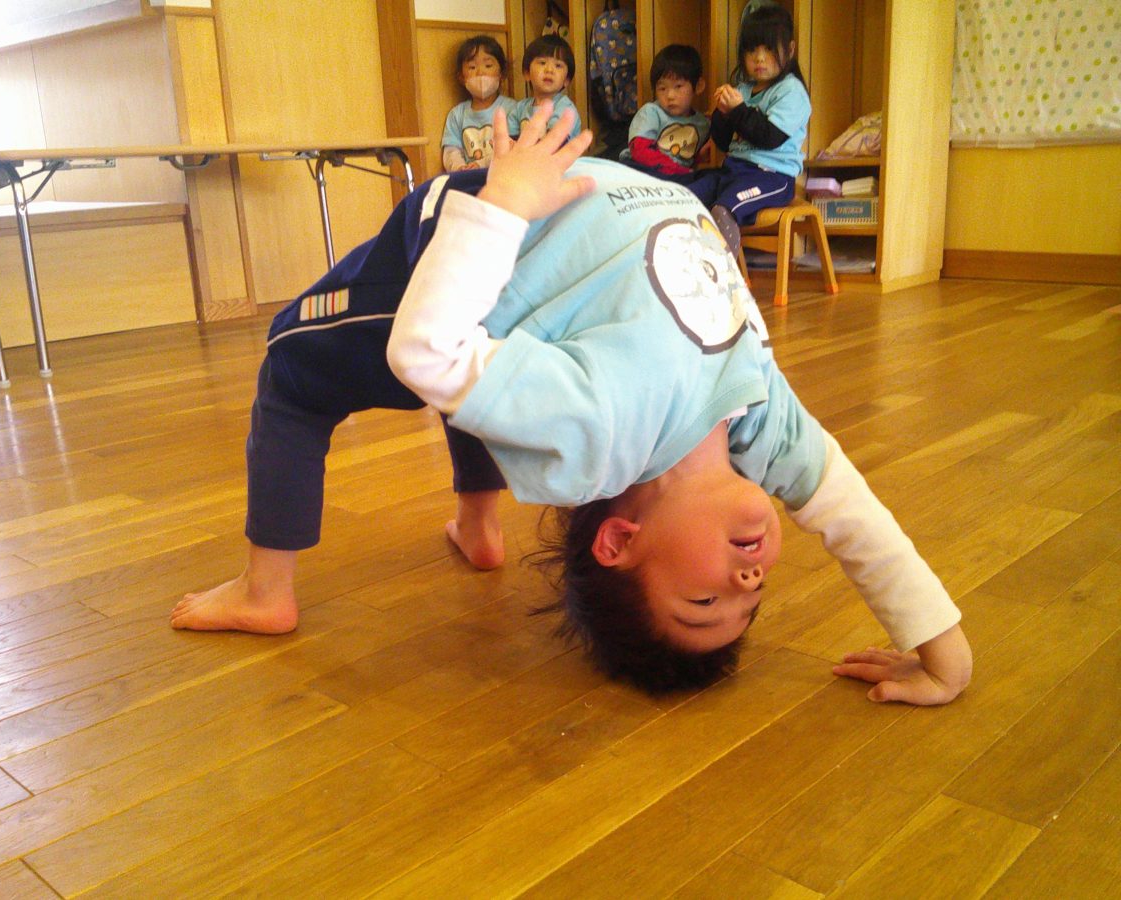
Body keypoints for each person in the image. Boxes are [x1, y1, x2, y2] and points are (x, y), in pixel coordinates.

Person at [173, 102, 972, 707]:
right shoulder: (758, 423)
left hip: (459, 236)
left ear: (620, 540)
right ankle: (478, 525)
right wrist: (944, 652)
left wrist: (503, 206)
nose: (750, 575)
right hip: (557, 206)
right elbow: (852, 515)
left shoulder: (600, 428)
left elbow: (426, 351)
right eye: (752, 597)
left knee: (291, 367)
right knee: (499, 383)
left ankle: (265, 592)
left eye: (706, 599)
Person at [692, 4, 811, 255]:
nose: (759, 58)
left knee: (723, 210)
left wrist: (737, 110)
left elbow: (768, 137)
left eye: (769, 49)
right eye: (751, 50)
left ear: (790, 49)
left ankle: (724, 273)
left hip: (773, 176)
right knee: (686, 197)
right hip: (734, 170)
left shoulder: (791, 91)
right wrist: (722, 113)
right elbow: (724, 142)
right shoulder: (744, 90)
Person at [621, 44, 710, 183]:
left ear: (698, 86)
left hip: (676, 178)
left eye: (678, 86)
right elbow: (640, 151)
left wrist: (701, 156)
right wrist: (679, 172)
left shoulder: (703, 124)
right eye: (662, 88)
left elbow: (689, 156)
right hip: (642, 169)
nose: (670, 95)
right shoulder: (651, 112)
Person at [441, 35, 516, 172]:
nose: (480, 72)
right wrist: (459, 167)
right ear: (461, 77)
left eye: (488, 66)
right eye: (472, 67)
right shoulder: (456, 115)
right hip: (469, 178)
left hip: (503, 176)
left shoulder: (512, 109)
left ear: (501, 73)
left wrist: (481, 164)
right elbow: (451, 150)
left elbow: (513, 147)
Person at [507, 34, 581, 139]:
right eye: (542, 63)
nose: (549, 70)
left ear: (566, 80)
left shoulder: (565, 107)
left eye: (558, 65)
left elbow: (555, 140)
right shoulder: (519, 108)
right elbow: (509, 140)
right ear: (527, 73)